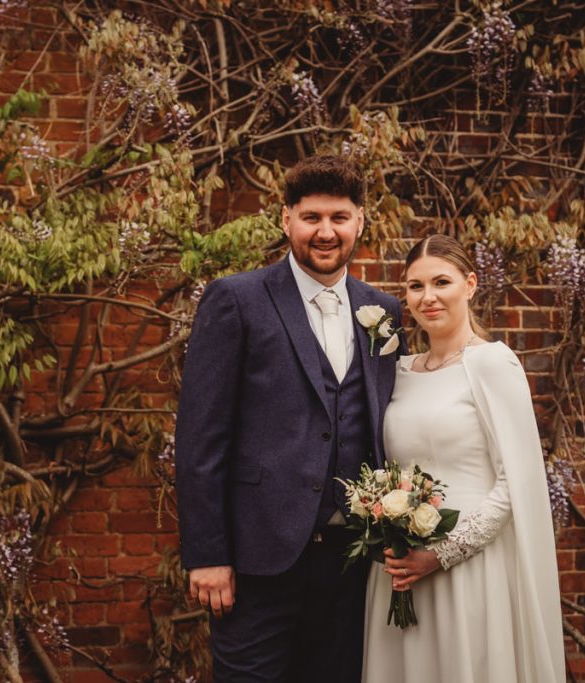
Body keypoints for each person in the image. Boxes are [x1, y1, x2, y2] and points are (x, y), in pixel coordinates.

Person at [175, 154, 407, 682]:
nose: (325, 232)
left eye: (339, 218)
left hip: (352, 568)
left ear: (359, 222)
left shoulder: (384, 311)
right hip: (259, 564)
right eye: (311, 218)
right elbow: (199, 439)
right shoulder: (236, 300)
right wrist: (206, 555)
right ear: (287, 220)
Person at [362, 234, 566, 682]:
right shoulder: (397, 371)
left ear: (470, 284)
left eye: (441, 282)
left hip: (468, 567)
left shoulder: (492, 363)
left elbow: (517, 480)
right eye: (416, 286)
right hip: (400, 569)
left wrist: (441, 554)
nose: (428, 297)